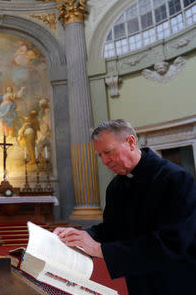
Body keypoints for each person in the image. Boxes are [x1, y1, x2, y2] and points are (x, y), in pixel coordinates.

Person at [53, 119, 196, 295]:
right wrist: (79, 237)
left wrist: (100, 249)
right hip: (139, 282)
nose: (104, 161)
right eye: (100, 155)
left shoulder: (176, 179)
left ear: (130, 142)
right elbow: (111, 230)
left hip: (177, 281)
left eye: (108, 152)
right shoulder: (116, 186)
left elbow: (172, 243)